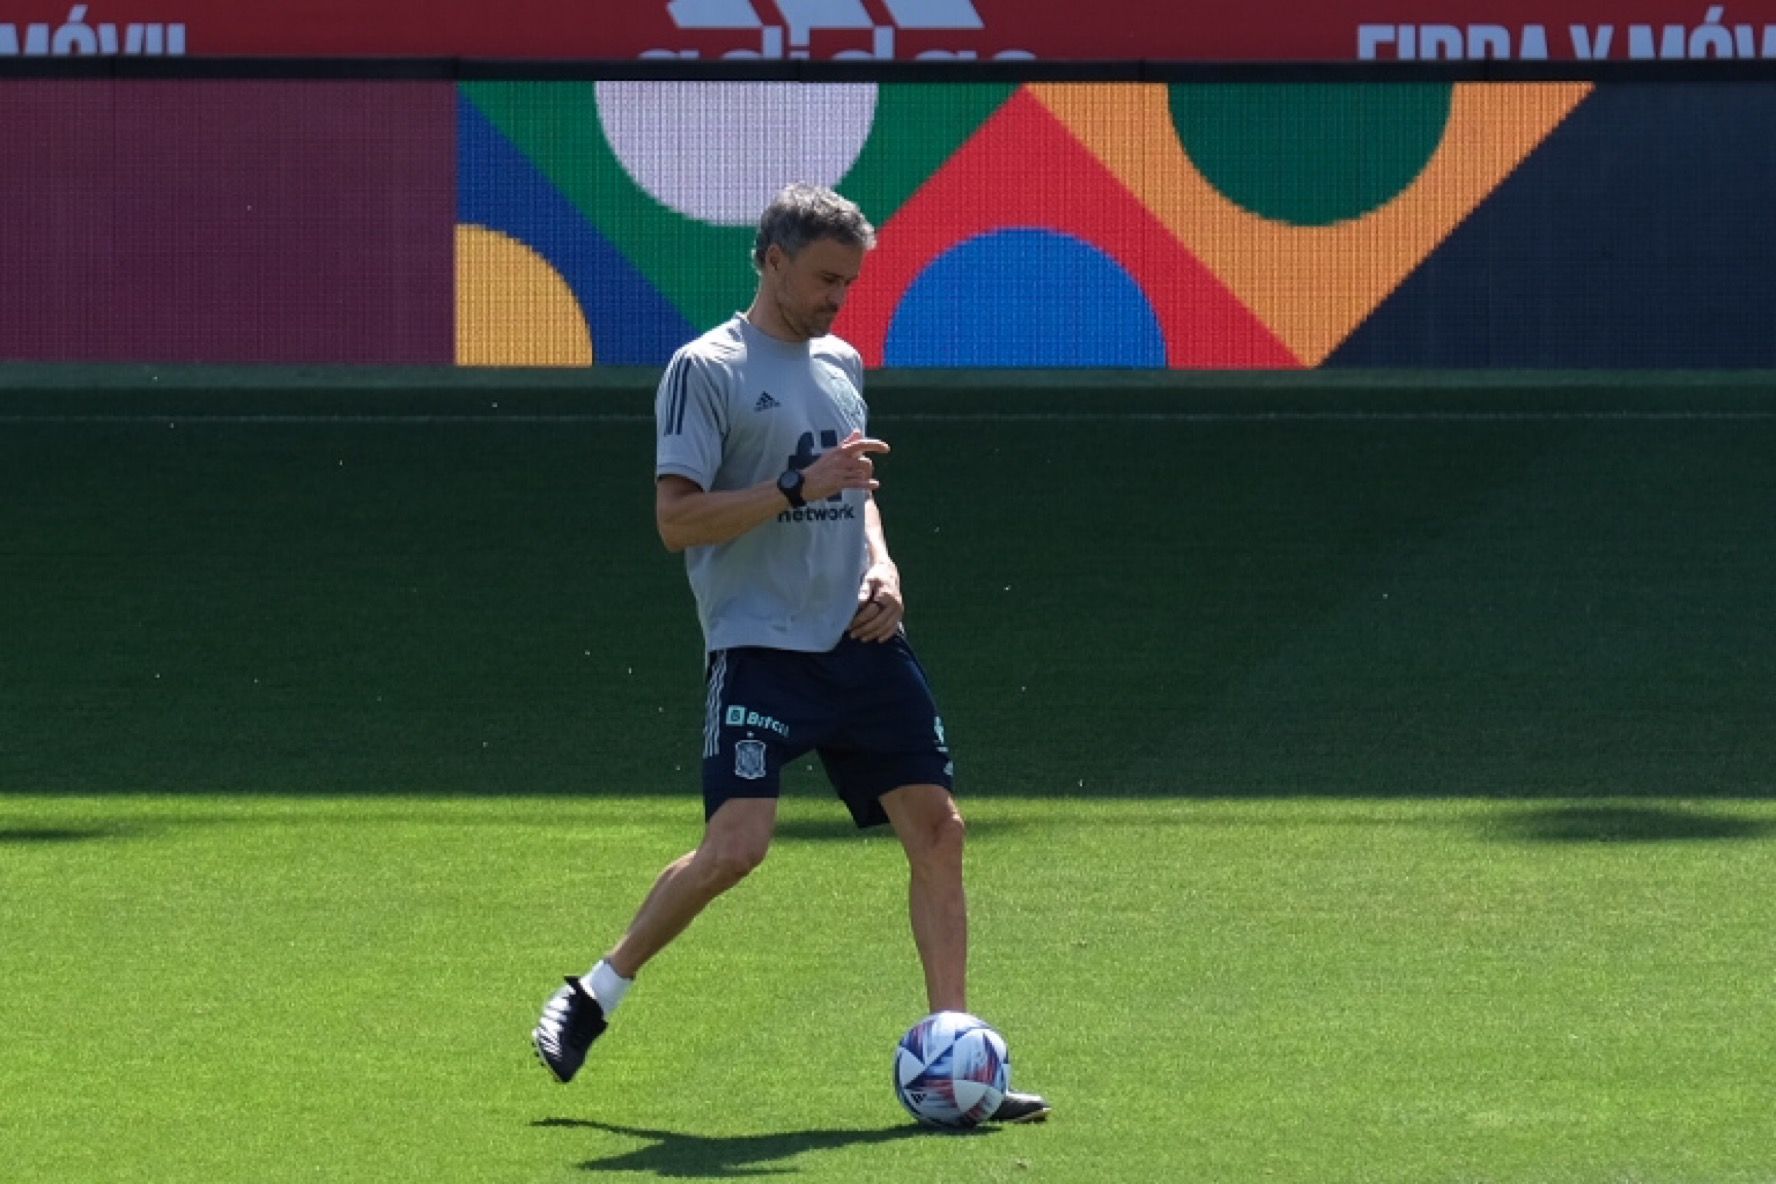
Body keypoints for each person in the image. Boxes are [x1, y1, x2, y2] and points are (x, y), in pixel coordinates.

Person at [530, 182, 1049, 1124]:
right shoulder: (706, 369)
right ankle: (595, 995)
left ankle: (962, 1057)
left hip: (858, 637)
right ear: (770, 258)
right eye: (822, 279)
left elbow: (856, 487)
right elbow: (677, 520)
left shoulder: (842, 358)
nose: (835, 301)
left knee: (939, 831)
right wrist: (793, 482)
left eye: (847, 283)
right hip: (760, 644)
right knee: (737, 848)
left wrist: (884, 570)